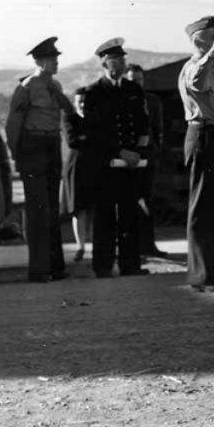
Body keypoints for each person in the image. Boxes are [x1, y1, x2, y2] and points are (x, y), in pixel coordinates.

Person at [6, 36, 75, 283]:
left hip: (51, 145)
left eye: (56, 59)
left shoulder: (55, 87)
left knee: (52, 209)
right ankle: (39, 270)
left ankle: (56, 268)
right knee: (38, 210)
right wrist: (17, 155)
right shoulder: (27, 87)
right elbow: (13, 125)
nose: (56, 63)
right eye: (51, 59)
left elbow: (68, 114)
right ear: (39, 61)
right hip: (33, 148)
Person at [83, 38, 150, 279]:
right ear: (104, 62)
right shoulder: (94, 93)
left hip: (130, 165)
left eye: (123, 59)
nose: (121, 63)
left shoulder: (133, 90)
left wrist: (139, 153)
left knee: (130, 215)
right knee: (105, 217)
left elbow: (142, 125)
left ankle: (130, 265)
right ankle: (102, 266)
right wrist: (120, 152)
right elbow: (94, 133)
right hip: (106, 165)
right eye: (115, 60)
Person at [179, 16, 214, 292]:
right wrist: (210, 54)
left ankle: (207, 273)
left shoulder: (211, 67)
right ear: (198, 40)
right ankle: (201, 276)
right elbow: (198, 83)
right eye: (212, 37)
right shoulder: (194, 68)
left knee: (212, 209)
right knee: (202, 207)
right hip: (203, 135)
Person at [125, 64, 167, 259]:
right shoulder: (121, 101)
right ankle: (133, 247)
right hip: (129, 159)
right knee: (131, 201)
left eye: (140, 80)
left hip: (149, 157)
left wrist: (155, 150)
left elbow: (158, 129)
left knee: (147, 201)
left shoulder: (152, 101)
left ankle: (149, 245)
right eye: (133, 80)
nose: (137, 84)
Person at [61, 88, 95, 263]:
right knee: (79, 209)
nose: (82, 104)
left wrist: (86, 138)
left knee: (95, 208)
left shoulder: (95, 119)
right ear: (75, 103)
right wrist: (89, 138)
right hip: (76, 168)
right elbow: (72, 140)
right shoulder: (70, 119)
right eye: (79, 101)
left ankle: (96, 246)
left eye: (85, 101)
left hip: (94, 167)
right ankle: (80, 247)